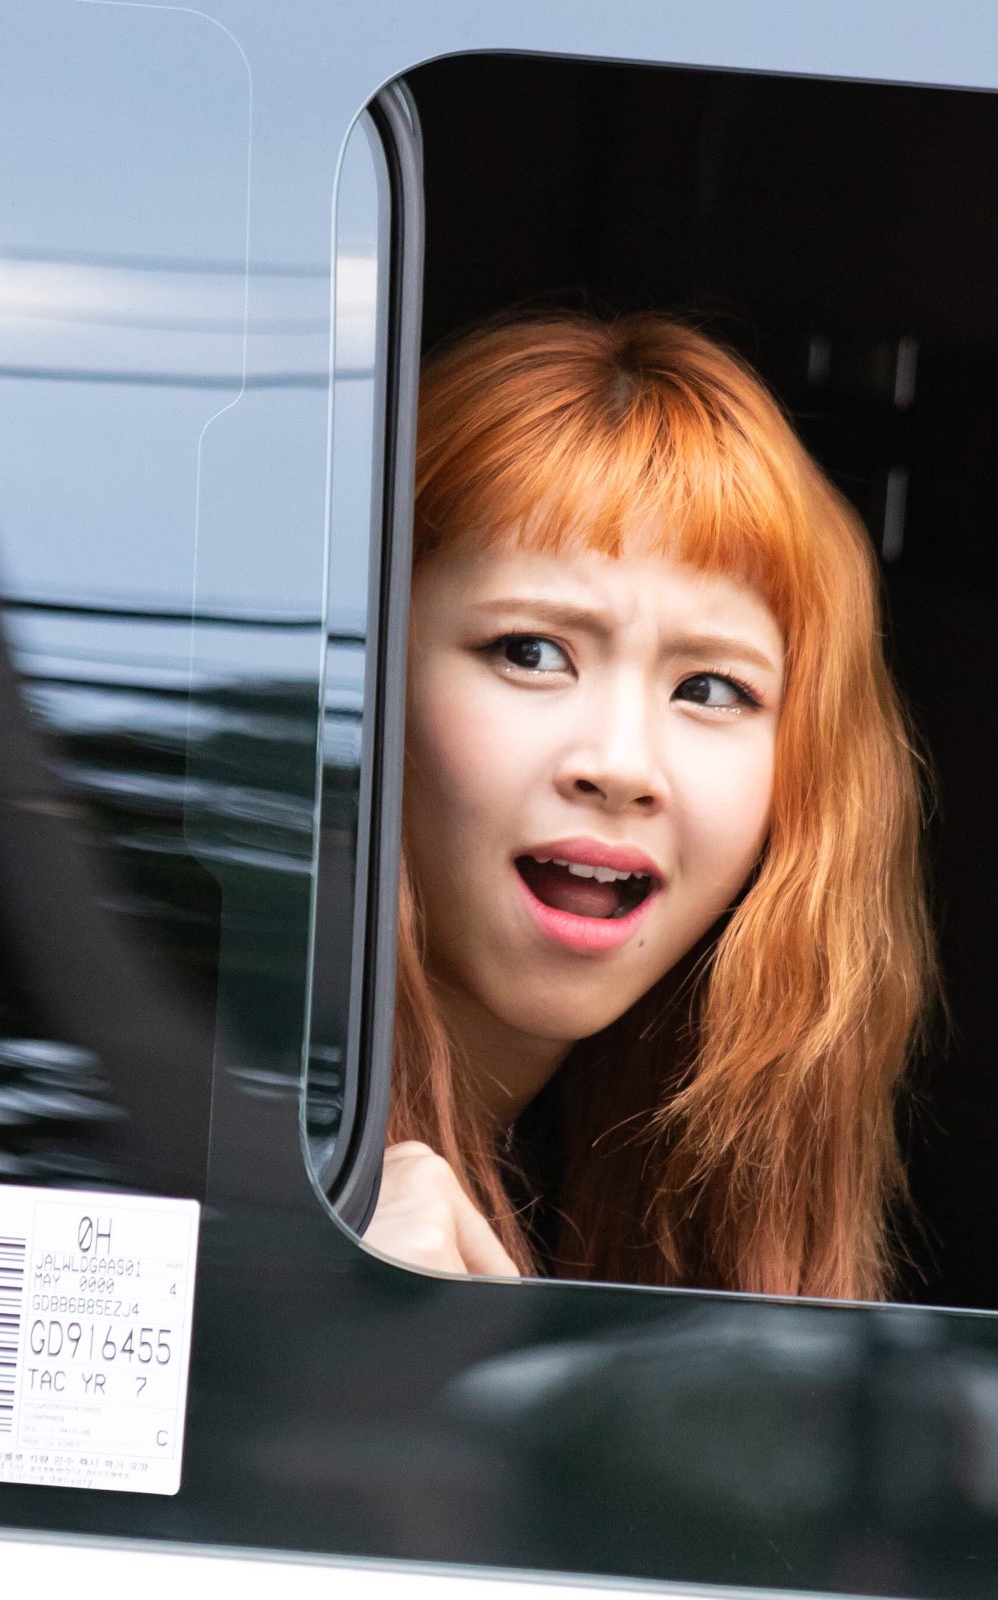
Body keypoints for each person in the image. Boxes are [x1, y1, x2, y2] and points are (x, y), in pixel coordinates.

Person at [363, 311, 933, 1300]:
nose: (622, 765)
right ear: (370, 676)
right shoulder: (188, 1145)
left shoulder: (706, 1174)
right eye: (532, 652)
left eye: (711, 688)